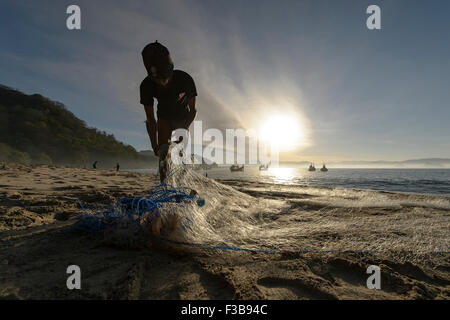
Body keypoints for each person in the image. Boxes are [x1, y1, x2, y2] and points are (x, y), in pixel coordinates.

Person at [140, 41, 198, 183]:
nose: (163, 83)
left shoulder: (185, 79)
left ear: (171, 69)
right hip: (164, 117)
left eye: (166, 78)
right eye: (158, 80)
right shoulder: (146, 86)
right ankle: (164, 186)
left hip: (182, 118)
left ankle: (182, 184)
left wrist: (185, 128)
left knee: (179, 153)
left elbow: (193, 110)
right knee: (163, 154)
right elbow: (150, 119)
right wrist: (154, 144)